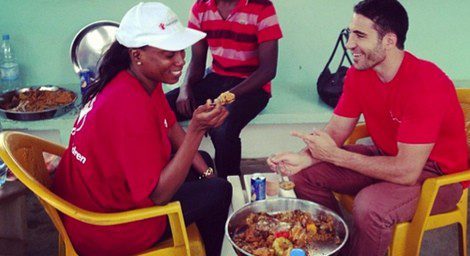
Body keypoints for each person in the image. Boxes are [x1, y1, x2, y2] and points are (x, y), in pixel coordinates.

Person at [268, 0, 468, 255]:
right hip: (388, 157)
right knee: (302, 177)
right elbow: (336, 131)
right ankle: (336, 248)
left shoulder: (426, 84)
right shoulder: (359, 74)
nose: (350, 43)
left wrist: (336, 156)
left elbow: (407, 171)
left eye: (360, 35)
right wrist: (303, 158)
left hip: (439, 177)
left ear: (389, 41)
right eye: (350, 32)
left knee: (369, 206)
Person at [53, 3, 232, 256]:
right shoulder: (127, 107)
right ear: (137, 55)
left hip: (95, 197)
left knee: (202, 162)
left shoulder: (137, 79)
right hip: (108, 228)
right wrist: (196, 131)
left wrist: (208, 173)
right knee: (220, 192)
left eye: (181, 51)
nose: (181, 60)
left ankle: (198, 239)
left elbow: (169, 125)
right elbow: (158, 196)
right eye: (169, 54)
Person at [166, 0, 283, 178]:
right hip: (217, 78)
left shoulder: (263, 7)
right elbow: (197, 61)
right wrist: (185, 87)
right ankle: (174, 171)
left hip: (253, 86)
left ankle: (229, 184)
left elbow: (268, 71)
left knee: (222, 127)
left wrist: (227, 97)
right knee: (163, 107)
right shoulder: (201, 7)